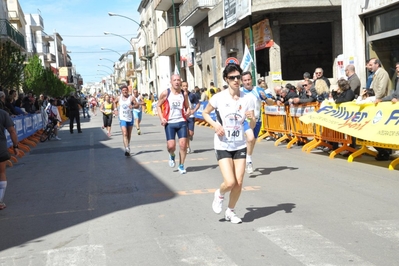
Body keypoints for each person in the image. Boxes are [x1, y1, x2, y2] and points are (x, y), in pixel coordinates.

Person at [203, 63, 255, 224]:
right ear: (226, 79)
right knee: (230, 182)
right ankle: (219, 193)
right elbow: (205, 113)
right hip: (223, 144)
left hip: (239, 144)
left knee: (239, 182)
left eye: (238, 77)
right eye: (232, 78)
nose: (236, 80)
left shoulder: (248, 99)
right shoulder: (219, 97)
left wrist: (252, 119)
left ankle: (230, 211)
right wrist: (215, 125)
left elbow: (251, 126)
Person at [156, 74, 190, 174]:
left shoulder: (184, 94)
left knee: (183, 145)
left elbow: (187, 106)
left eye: (178, 80)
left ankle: (181, 165)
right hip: (169, 123)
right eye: (174, 80)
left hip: (181, 121)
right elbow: (158, 106)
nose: (176, 82)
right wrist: (162, 118)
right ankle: (172, 155)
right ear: (171, 82)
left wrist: (188, 111)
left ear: (181, 81)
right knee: (171, 146)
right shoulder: (166, 93)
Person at [240, 71, 267, 174]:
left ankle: (248, 157)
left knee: (252, 141)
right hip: (244, 120)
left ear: (252, 80)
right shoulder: (240, 92)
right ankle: (248, 161)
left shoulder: (258, 90)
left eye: (249, 80)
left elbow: (270, 102)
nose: (247, 82)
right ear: (242, 81)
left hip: (257, 119)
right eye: (245, 80)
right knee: (250, 138)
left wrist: (265, 97)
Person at [0, 109, 19, 210]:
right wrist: (15, 146)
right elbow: (12, 131)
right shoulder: (2, 113)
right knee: (1, 172)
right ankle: (0, 200)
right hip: (1, 147)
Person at [114, 85, 139, 156]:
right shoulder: (119, 98)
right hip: (122, 118)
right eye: (123, 90)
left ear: (127, 90)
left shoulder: (131, 98)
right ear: (121, 91)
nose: (125, 91)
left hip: (130, 118)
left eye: (126, 90)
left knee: (129, 134)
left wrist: (133, 106)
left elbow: (137, 105)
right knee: (125, 133)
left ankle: (128, 144)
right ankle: (126, 148)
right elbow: (114, 102)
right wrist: (115, 109)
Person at [181, 81, 200, 154]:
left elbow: (198, 104)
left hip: (191, 116)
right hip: (183, 116)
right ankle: (188, 147)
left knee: (190, 133)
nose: (185, 87)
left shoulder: (192, 95)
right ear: (181, 87)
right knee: (185, 133)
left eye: (186, 86)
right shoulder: (180, 94)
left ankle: (190, 136)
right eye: (183, 86)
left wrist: (194, 110)